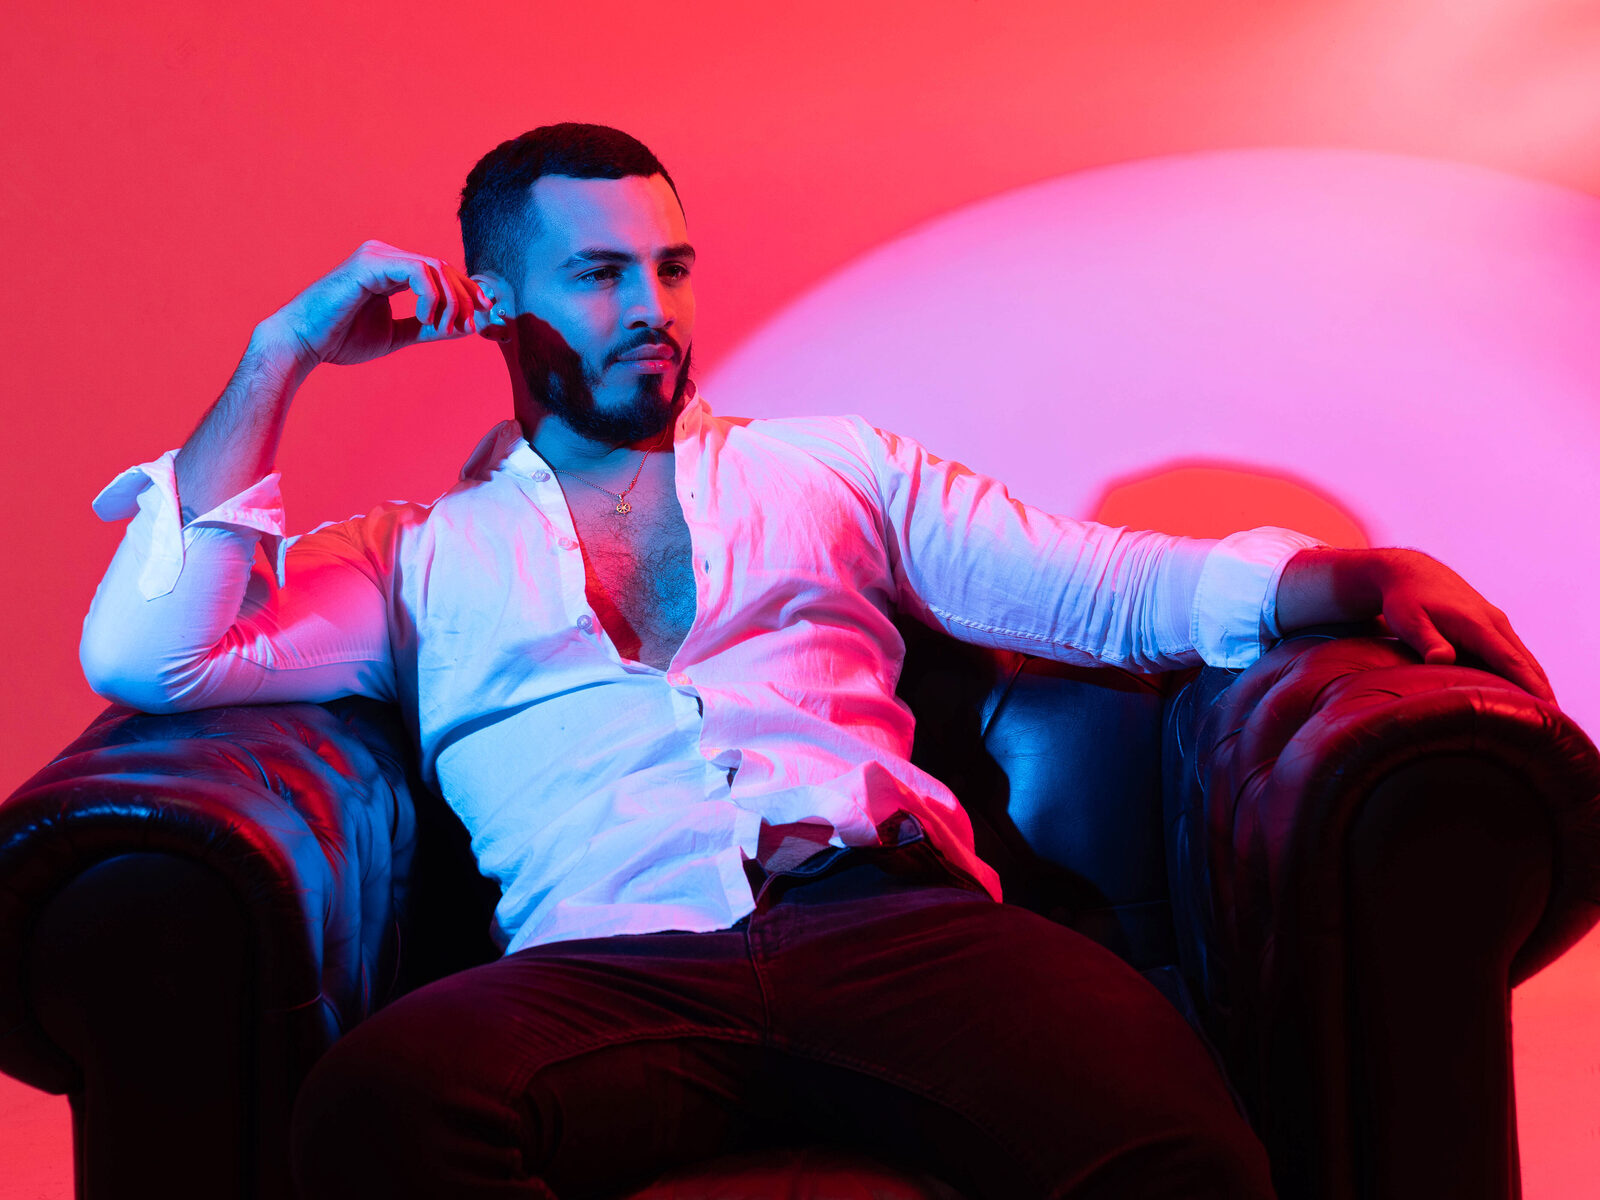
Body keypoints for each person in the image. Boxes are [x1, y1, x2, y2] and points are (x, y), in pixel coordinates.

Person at [80, 123, 1556, 1200]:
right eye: (597, 275)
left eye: (671, 267)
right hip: (605, 970)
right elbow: (157, 654)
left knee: (1184, 1153)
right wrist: (281, 349)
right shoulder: (409, 558)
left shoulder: (830, 468)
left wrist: (1352, 576)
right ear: (493, 300)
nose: (652, 309)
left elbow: (1104, 589)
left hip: (896, 927)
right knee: (376, 1113)